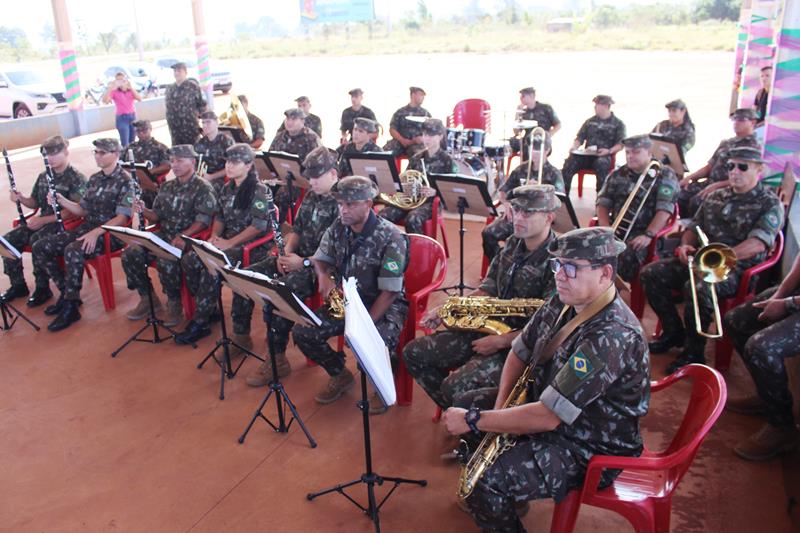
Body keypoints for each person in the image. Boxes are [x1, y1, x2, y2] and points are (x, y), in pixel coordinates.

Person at [441, 227, 649, 532]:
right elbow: (519, 352)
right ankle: (511, 497)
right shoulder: (564, 300)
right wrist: (497, 412)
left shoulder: (610, 335)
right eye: (557, 264)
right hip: (554, 412)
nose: (559, 275)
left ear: (605, 274)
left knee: (484, 481)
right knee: (465, 401)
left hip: (590, 446)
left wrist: (475, 420)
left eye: (571, 267)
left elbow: (549, 417)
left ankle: (498, 498)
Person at [404, 184, 559, 415]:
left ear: (549, 217)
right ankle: (462, 417)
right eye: (515, 210)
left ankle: (478, 424)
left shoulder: (558, 262)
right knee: (413, 353)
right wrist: (450, 308)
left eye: (527, 213)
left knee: (454, 386)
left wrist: (502, 341)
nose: (517, 217)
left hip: (520, 347)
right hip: (487, 329)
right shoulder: (513, 246)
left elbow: (551, 327)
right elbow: (488, 288)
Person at [642, 146, 784, 374]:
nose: (734, 171)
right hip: (701, 259)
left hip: (736, 269)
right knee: (651, 273)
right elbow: (694, 228)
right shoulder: (716, 196)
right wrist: (685, 245)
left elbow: (758, 243)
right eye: (730, 166)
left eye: (742, 166)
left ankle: (694, 352)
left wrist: (720, 259)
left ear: (759, 169)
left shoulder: (769, 202)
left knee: (698, 288)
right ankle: (673, 331)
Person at [292, 176, 408, 410]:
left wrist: (361, 328)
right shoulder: (338, 227)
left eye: (350, 205)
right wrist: (324, 276)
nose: (343, 210)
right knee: (303, 331)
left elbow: (390, 293)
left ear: (368, 203)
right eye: (340, 204)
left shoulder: (392, 237)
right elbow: (320, 259)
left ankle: (383, 383)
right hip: (348, 301)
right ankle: (339, 373)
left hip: (382, 305)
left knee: (373, 344)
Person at [244, 147, 341, 385]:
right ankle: (242, 334)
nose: (312, 181)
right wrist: (286, 252)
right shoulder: (310, 196)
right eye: (310, 176)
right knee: (249, 275)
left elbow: (338, 254)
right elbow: (297, 230)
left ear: (334, 174)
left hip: (323, 268)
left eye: (318, 176)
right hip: (299, 257)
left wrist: (303, 262)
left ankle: (277, 358)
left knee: (280, 292)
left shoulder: (343, 203)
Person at [175, 144, 273, 345]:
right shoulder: (226, 188)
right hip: (227, 242)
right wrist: (214, 237)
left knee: (212, 268)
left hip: (252, 247)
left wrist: (229, 242)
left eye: (235, 162)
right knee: (190, 260)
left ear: (248, 166)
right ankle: (208, 309)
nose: (229, 166)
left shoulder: (259, 190)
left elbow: (258, 227)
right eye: (228, 161)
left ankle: (200, 322)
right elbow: (219, 217)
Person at [32, 138, 133, 332]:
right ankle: (67, 294)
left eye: (102, 152)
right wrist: (61, 200)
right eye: (96, 152)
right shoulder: (95, 178)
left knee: (72, 250)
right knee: (41, 246)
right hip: (87, 228)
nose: (97, 155)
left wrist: (97, 232)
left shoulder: (126, 181)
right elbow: (82, 210)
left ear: (116, 155)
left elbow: (122, 218)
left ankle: (71, 307)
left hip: (111, 235)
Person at [121, 145, 216, 327]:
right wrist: (143, 210)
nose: (175, 165)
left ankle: (174, 302)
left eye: (180, 160)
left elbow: (203, 222)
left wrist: (183, 235)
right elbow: (157, 216)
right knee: (130, 253)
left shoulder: (203, 187)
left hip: (188, 240)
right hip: (165, 235)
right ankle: (148, 298)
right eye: (172, 161)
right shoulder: (167, 186)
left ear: (193, 162)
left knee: (166, 259)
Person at [723, 253, 800, 461]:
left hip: (795, 302)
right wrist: (779, 296)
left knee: (761, 348)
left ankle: (782, 426)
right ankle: (768, 395)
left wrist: (788, 304)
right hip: (793, 296)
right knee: (736, 321)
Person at [2, 136, 86, 306]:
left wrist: (44, 220)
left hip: (62, 223)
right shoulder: (43, 176)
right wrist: (21, 198)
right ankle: (18, 285)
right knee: (7, 241)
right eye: (47, 155)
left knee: (36, 241)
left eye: (55, 153)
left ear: (66, 152)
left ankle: (43, 287)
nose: (50, 158)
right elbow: (34, 202)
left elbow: (74, 212)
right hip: (43, 221)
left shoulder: (76, 177)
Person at [595, 135, 679, 282]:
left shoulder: (665, 174)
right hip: (615, 229)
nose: (630, 156)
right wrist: (606, 228)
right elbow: (603, 203)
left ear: (649, 152)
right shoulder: (618, 174)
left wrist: (648, 235)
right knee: (586, 249)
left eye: (636, 152)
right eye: (627, 152)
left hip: (643, 233)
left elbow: (665, 210)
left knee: (624, 255)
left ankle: (617, 294)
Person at [482, 132, 564, 263]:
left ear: (547, 150)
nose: (535, 152)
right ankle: (500, 264)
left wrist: (540, 190)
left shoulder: (554, 174)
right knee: (488, 233)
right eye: (532, 148)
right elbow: (503, 191)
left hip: (538, 221)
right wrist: (507, 204)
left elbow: (559, 202)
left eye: (538, 149)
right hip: (517, 217)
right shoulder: (521, 169)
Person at [676, 108, 760, 218]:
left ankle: (695, 230)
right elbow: (709, 167)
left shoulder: (752, 148)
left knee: (697, 202)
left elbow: (747, 178)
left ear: (752, 122)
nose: (736, 123)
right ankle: (684, 228)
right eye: (734, 119)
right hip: (710, 183)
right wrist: (689, 178)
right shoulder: (727, 143)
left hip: (729, 187)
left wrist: (717, 186)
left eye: (741, 120)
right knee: (679, 193)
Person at [379, 118, 455, 234]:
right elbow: (405, 179)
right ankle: (392, 247)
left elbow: (451, 188)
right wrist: (405, 187)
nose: (426, 138)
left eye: (431, 135)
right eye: (424, 134)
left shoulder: (447, 160)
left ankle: (418, 249)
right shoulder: (417, 157)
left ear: (440, 136)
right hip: (411, 200)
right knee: (383, 216)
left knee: (413, 219)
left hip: (430, 203)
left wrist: (435, 192)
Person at [561, 94, 626, 195]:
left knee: (601, 165)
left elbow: (621, 144)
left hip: (604, 156)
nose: (595, 107)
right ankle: (563, 197)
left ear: (606, 106)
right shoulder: (590, 122)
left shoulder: (618, 124)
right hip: (587, 156)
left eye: (597, 105)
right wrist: (574, 147)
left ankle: (600, 201)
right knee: (569, 162)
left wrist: (608, 151)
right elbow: (579, 138)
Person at [268, 108, 323, 221]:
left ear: (302, 121)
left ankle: (278, 226)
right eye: (287, 118)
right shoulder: (280, 137)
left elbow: (317, 166)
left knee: (282, 196)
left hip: (300, 180)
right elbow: (270, 157)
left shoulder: (311, 139)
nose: (289, 122)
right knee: (260, 191)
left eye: (293, 119)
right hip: (279, 177)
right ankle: (261, 226)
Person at [121, 119, 170, 208]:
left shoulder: (160, 147)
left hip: (153, 186)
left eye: (144, 130)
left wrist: (149, 172)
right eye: (138, 131)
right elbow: (120, 162)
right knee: (127, 210)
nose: (141, 133)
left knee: (154, 212)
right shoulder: (130, 147)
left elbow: (167, 166)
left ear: (150, 129)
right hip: (132, 186)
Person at [164, 62, 206, 146]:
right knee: (178, 154)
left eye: (179, 71)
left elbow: (202, 105)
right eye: (175, 71)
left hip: (190, 128)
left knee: (193, 151)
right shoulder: (170, 89)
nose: (176, 73)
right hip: (175, 130)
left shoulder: (192, 87)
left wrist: (199, 121)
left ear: (185, 72)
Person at [511, 87, 561, 156]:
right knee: (509, 144)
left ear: (532, 96)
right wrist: (518, 114)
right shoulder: (524, 112)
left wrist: (548, 135)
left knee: (532, 149)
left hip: (541, 140)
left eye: (523, 96)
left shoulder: (546, 108)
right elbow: (516, 132)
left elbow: (558, 125)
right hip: (527, 141)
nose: (521, 98)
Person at [194, 110, 234, 196]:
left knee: (205, 190)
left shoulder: (227, 141)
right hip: (203, 178)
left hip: (221, 179)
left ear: (216, 123)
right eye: (203, 122)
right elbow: (195, 164)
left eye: (208, 122)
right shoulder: (199, 143)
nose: (204, 125)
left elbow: (233, 166)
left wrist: (211, 177)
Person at [383, 86, 431, 157]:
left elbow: (431, 132)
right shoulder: (400, 112)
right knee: (384, 153)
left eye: (423, 96)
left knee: (421, 154)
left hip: (417, 143)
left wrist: (422, 139)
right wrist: (403, 140)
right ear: (413, 95)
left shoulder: (425, 114)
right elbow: (392, 129)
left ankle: (411, 168)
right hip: (400, 141)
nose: (423, 98)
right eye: (420, 95)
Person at [102, 72, 141, 148]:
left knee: (132, 141)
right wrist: (111, 88)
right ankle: (125, 157)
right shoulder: (114, 92)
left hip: (132, 116)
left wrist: (130, 87)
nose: (120, 82)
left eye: (122, 80)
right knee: (125, 142)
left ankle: (132, 157)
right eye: (118, 80)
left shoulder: (130, 90)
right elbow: (105, 101)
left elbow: (139, 98)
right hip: (121, 117)